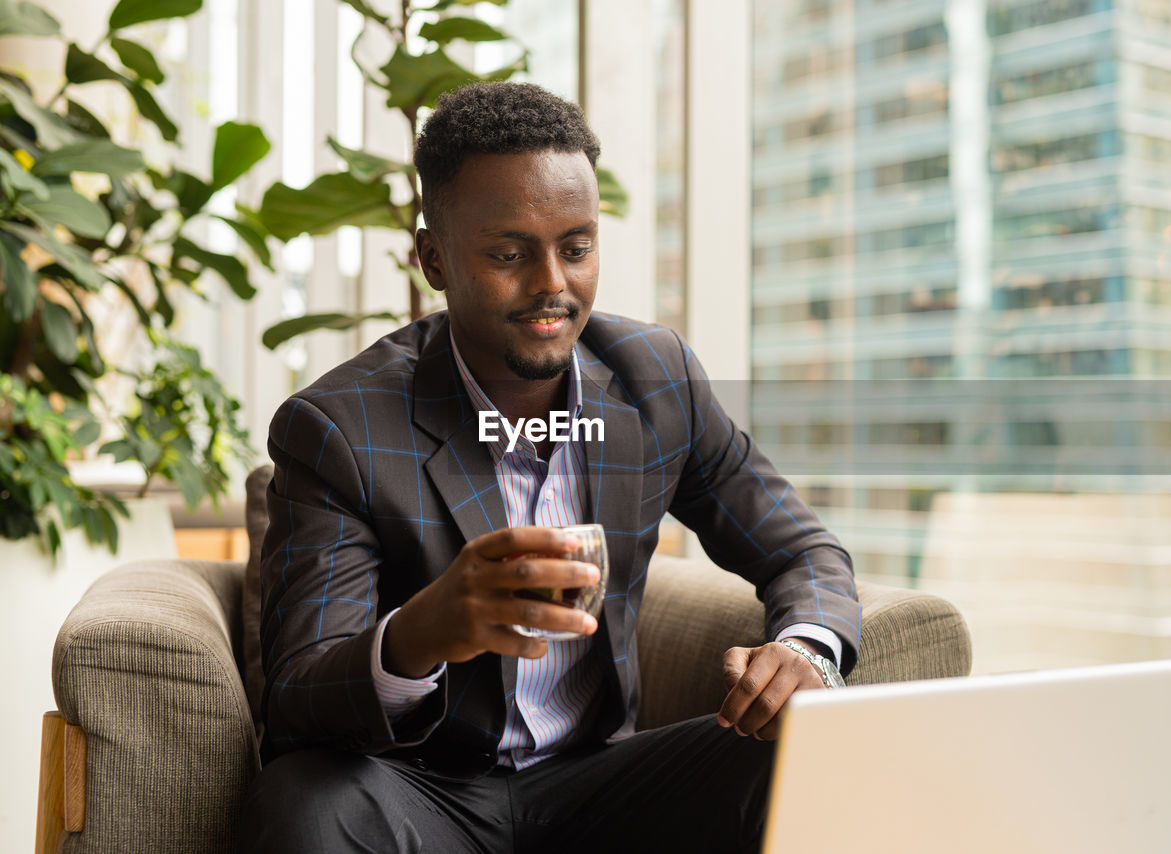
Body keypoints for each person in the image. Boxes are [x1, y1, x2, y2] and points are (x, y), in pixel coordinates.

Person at [237, 81, 861, 854]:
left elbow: (803, 549)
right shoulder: (340, 428)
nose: (553, 286)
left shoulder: (654, 380)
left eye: (576, 247)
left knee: (807, 753)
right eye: (508, 254)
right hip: (418, 793)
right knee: (301, 804)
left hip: (601, 788)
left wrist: (805, 648)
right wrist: (423, 631)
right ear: (433, 258)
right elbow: (297, 697)